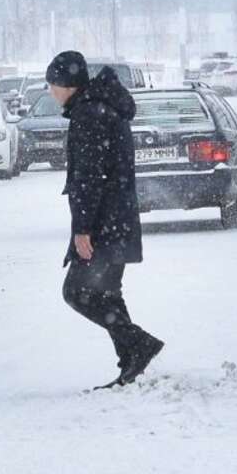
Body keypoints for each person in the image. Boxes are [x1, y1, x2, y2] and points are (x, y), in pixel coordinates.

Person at [48, 50, 164, 389]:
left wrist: (83, 229)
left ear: (68, 84)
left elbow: (88, 177)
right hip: (118, 217)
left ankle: (139, 345)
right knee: (106, 293)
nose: (51, 90)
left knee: (78, 292)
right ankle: (131, 362)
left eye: (53, 83)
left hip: (103, 222)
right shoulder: (102, 109)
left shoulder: (90, 115)